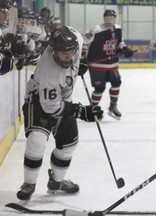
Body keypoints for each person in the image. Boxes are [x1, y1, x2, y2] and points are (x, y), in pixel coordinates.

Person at [16, 26, 103, 200]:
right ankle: (29, 183)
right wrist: (80, 111)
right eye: (64, 53)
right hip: (38, 100)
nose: (69, 57)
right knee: (37, 140)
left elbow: (81, 40)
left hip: (63, 99)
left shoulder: (76, 40)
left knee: (69, 145)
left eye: (72, 52)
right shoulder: (49, 72)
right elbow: (51, 107)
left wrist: (82, 59)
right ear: (53, 50)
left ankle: (57, 181)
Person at [83, 9, 133, 120]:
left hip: (112, 64)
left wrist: (124, 48)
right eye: (107, 17)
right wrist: (83, 54)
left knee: (116, 83)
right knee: (99, 88)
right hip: (97, 65)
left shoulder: (118, 29)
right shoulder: (96, 30)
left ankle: (113, 106)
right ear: (104, 18)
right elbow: (85, 41)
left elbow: (120, 42)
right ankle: (93, 110)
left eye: (112, 17)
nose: (109, 20)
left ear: (115, 18)